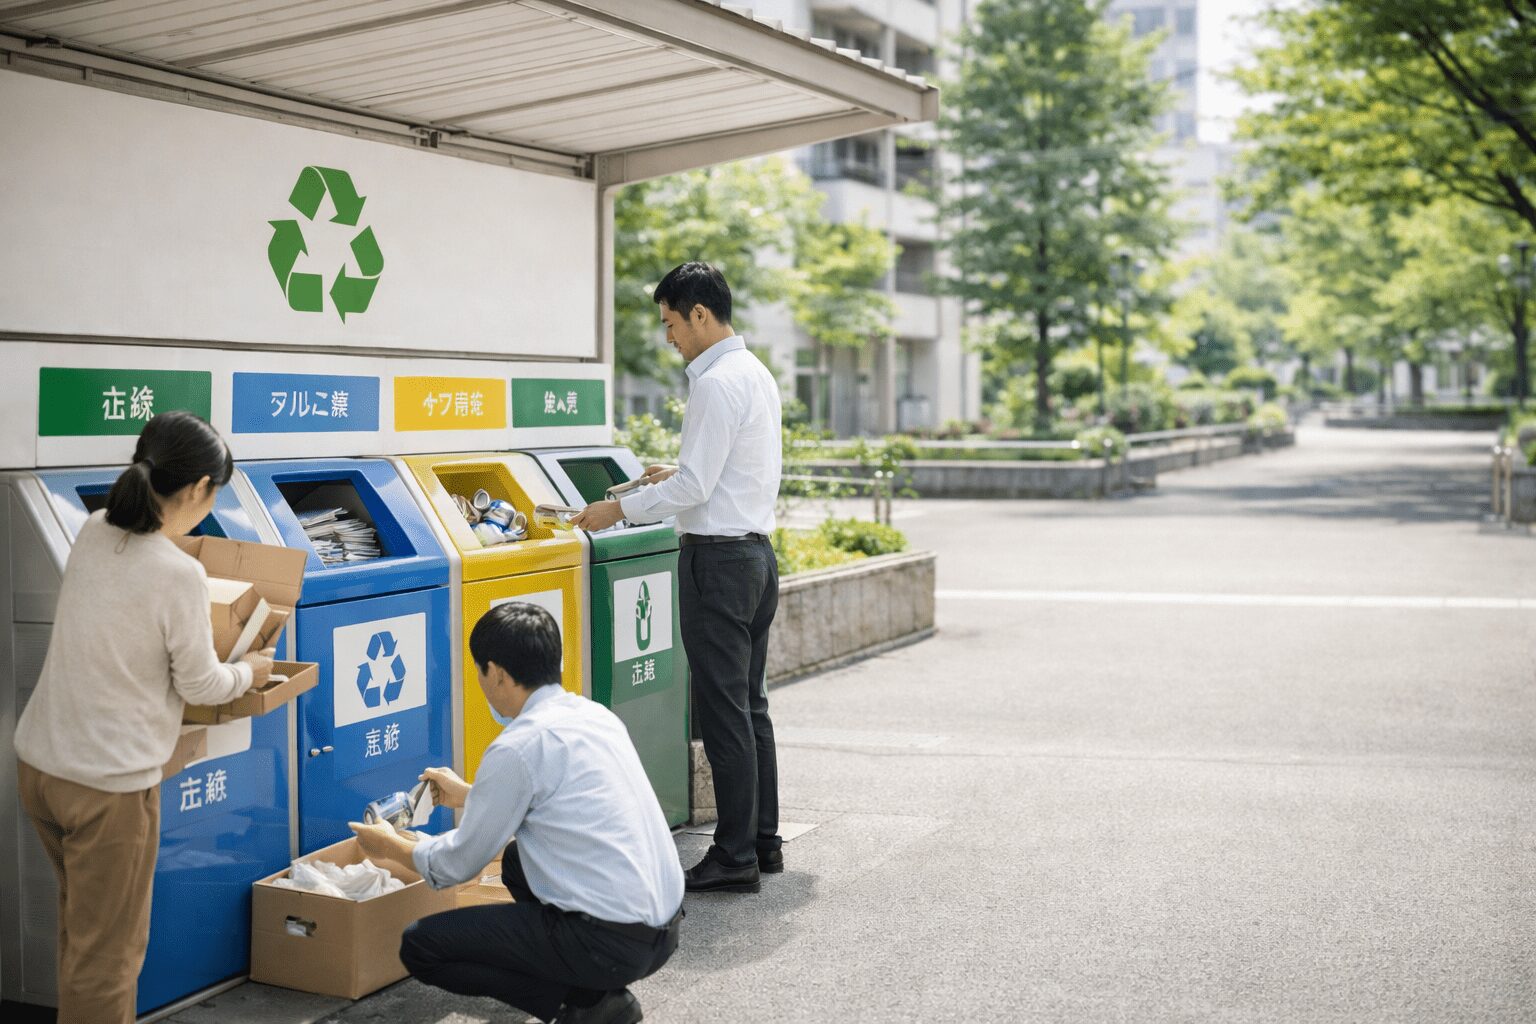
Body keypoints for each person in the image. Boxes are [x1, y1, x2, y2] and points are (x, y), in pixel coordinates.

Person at [14, 411, 273, 1024]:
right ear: (197, 488)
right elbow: (201, 683)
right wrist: (251, 671)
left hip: (42, 769)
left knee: (83, 935)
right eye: (214, 493)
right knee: (109, 961)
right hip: (106, 790)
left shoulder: (95, 529)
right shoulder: (177, 572)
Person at [349, 602, 684, 1024]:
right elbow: (559, 801)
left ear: (497, 673)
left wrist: (392, 846)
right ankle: (588, 981)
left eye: (479, 671)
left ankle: (584, 1005)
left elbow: (457, 864)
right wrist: (471, 795)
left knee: (422, 946)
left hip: (610, 942)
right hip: (664, 928)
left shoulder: (517, 747)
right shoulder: (594, 715)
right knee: (516, 861)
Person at [571, 261, 783, 894]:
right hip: (755, 558)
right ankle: (763, 842)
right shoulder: (755, 373)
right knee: (750, 707)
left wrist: (617, 511)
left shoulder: (716, 383)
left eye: (670, 323)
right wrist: (678, 474)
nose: (668, 337)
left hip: (717, 565)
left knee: (724, 713)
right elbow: (723, 470)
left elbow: (696, 488)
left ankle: (734, 857)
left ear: (699, 314)